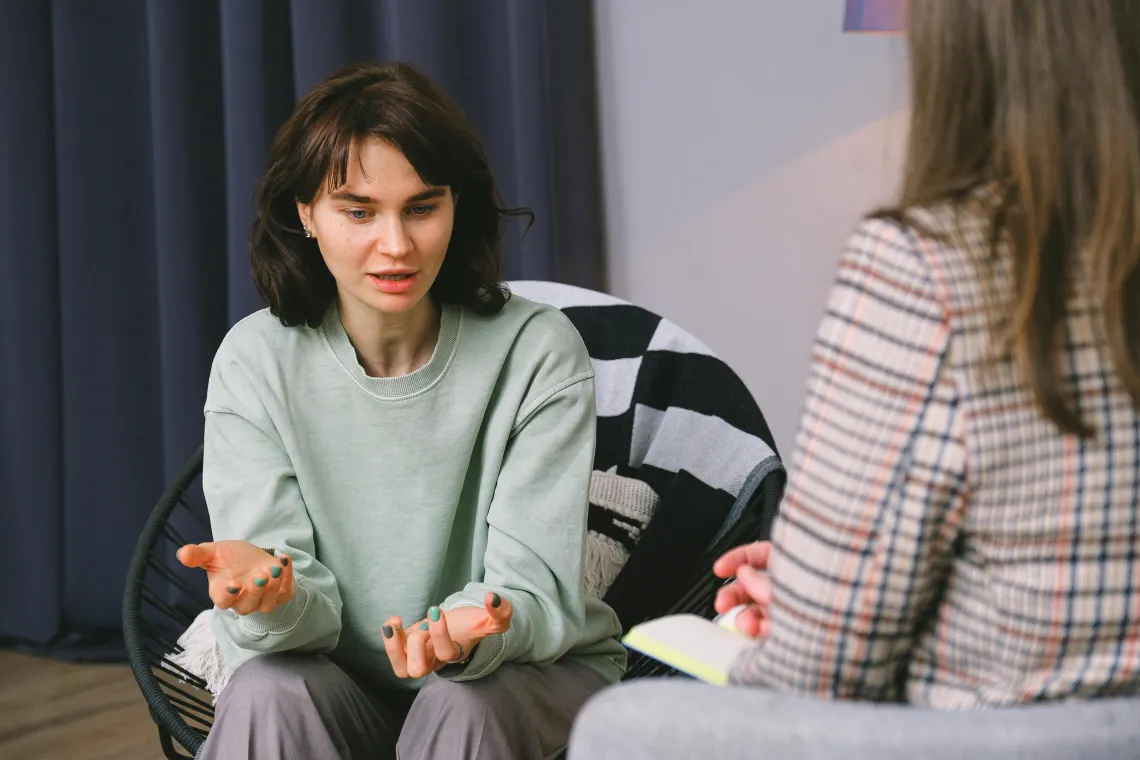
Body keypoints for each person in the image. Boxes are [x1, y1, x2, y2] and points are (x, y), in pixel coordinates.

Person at [569, 1, 1140, 757]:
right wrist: (829, 579)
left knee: (618, 728)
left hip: (991, 736)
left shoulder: (923, 266)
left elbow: (822, 672)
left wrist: (814, 618)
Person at [174, 60, 625, 760]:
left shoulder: (536, 351)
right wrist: (272, 594)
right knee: (267, 692)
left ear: (454, 206)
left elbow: (532, 591)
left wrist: (475, 628)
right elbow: (295, 616)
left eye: (422, 207)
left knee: (461, 702)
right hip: (343, 688)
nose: (396, 245)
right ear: (307, 216)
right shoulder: (255, 361)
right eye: (358, 211)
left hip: (521, 684)